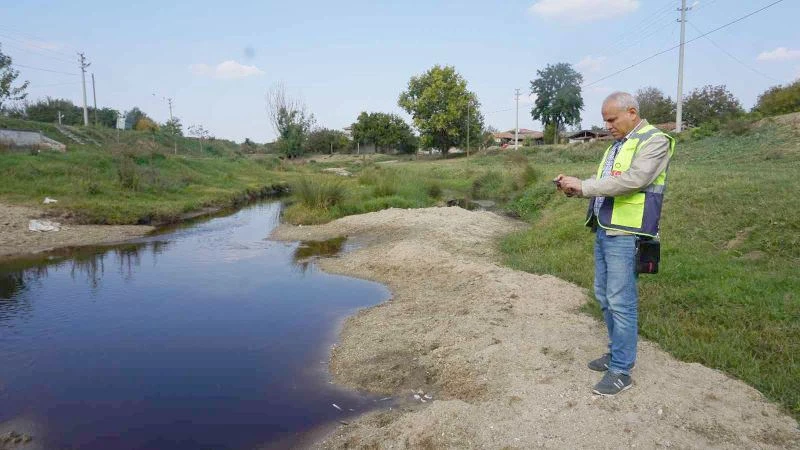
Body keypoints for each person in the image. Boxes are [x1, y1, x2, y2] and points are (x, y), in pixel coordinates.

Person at [555, 91, 675, 396]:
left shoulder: (655, 140)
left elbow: (634, 180)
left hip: (627, 232)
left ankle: (622, 370)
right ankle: (615, 353)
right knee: (605, 295)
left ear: (632, 113)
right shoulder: (617, 145)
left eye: (612, 119)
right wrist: (575, 187)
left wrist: (584, 187)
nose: (607, 125)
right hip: (605, 228)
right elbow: (606, 182)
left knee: (621, 301)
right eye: (605, 120)